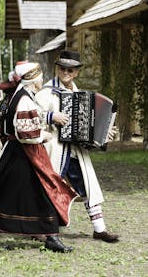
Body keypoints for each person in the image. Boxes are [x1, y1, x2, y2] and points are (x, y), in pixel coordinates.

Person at [0, 62, 77, 253]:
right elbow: (26, 132)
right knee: (33, 193)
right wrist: (43, 136)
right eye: (40, 76)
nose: (42, 80)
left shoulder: (22, 95)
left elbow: (29, 119)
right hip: (23, 155)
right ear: (33, 79)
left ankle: (50, 237)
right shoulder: (24, 98)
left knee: (30, 194)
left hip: (19, 154)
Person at [35, 50, 119, 243]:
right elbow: (30, 114)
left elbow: (88, 126)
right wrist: (51, 116)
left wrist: (104, 134)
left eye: (70, 69)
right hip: (54, 149)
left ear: (76, 72)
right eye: (63, 68)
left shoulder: (80, 95)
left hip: (74, 151)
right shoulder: (46, 92)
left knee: (88, 186)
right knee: (47, 188)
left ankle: (99, 229)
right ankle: (41, 229)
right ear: (57, 69)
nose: (66, 72)